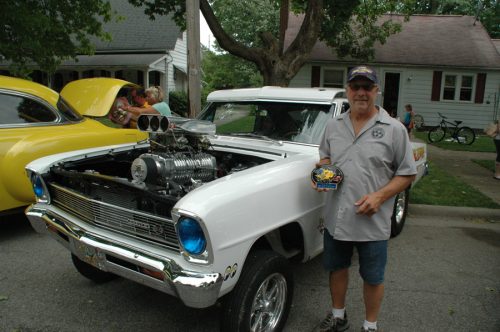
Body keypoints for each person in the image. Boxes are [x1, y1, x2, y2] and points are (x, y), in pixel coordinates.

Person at [312, 66, 417, 332]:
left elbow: (407, 174)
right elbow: (325, 156)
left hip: (373, 221)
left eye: (366, 87)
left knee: (372, 276)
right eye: (355, 87)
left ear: (376, 91)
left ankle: (370, 326)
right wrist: (324, 174)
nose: (360, 92)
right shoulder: (334, 125)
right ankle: (338, 317)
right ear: (347, 91)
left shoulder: (394, 129)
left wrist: (380, 196)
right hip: (337, 217)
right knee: (337, 268)